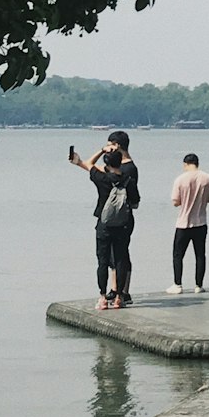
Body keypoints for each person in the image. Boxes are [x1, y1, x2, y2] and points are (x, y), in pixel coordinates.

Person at [70, 147, 140, 309]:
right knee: (121, 259)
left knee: (103, 261)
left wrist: (102, 150)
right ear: (120, 162)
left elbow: (88, 164)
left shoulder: (101, 178)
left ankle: (102, 298)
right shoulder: (129, 180)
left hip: (104, 225)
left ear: (107, 163)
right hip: (123, 225)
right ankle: (119, 298)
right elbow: (135, 202)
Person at [167, 153, 209, 294]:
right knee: (200, 254)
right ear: (197, 163)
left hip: (183, 223)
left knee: (178, 254)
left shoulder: (180, 179)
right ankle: (198, 285)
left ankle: (178, 285)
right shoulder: (208, 178)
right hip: (201, 222)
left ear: (185, 164)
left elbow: (175, 202)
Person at [106, 130, 139, 304]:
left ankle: (124, 291)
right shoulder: (115, 165)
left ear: (117, 145)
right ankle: (114, 288)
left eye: (110, 144)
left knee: (122, 254)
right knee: (112, 255)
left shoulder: (129, 168)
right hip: (113, 216)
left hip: (124, 216)